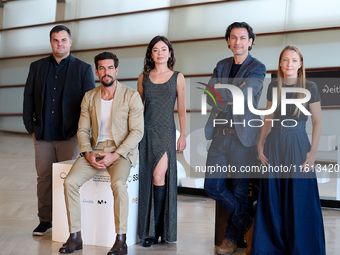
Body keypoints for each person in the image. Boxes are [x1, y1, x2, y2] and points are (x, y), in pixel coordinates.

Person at [58, 52, 144, 254]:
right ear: (96, 71)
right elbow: (82, 130)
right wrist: (87, 153)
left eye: (110, 68)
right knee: (69, 182)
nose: (106, 72)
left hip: (121, 151)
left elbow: (137, 131)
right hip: (95, 151)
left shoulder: (131, 96)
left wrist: (115, 155)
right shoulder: (89, 97)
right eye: (102, 68)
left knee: (118, 183)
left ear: (117, 70)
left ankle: (121, 239)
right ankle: (76, 236)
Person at [251, 45, 325, 255]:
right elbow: (268, 118)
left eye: (294, 60)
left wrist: (312, 153)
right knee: (273, 197)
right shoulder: (273, 87)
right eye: (285, 60)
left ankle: (302, 247)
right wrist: (260, 142)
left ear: (300, 64)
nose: (289, 64)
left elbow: (318, 122)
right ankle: (271, 248)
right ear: (280, 64)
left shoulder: (310, 86)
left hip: (298, 144)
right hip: (275, 144)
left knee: (299, 196)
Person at [23, 25, 95, 236]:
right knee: (44, 178)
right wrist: (30, 126)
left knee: (69, 179)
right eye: (55, 40)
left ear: (70, 42)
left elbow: (89, 104)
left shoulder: (83, 69)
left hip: (70, 136)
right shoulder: (36, 67)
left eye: (63, 40)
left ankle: (68, 222)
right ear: (51, 42)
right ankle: (45, 220)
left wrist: (82, 133)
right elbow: (28, 97)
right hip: (43, 135)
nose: (60, 44)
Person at [203, 22, 266, 255]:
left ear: (250, 41)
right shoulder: (221, 65)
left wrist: (224, 91)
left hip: (244, 137)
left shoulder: (258, 67)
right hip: (220, 134)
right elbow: (209, 96)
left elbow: (246, 92)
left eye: (242, 37)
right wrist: (229, 91)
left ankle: (230, 238)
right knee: (212, 186)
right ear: (228, 41)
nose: (237, 42)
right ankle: (247, 224)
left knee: (240, 190)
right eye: (233, 37)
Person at [137, 35, 186, 247]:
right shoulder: (143, 78)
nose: (160, 53)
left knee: (159, 176)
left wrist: (183, 134)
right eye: (155, 50)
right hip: (145, 133)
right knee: (148, 178)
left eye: (163, 49)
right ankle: (148, 231)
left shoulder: (178, 77)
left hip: (166, 132)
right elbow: (137, 110)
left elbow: (182, 111)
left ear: (170, 53)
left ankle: (157, 229)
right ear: (151, 54)